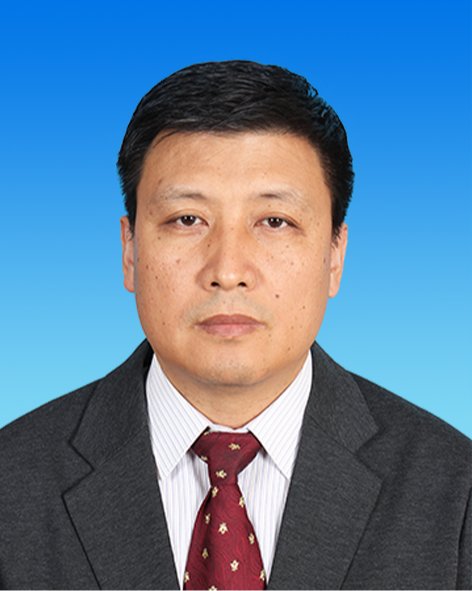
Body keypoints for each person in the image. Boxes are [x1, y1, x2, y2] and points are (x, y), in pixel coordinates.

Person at [0, 60, 470, 591]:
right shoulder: (11, 484)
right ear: (129, 250)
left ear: (335, 255)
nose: (227, 270)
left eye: (274, 221)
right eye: (187, 220)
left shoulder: (454, 491)